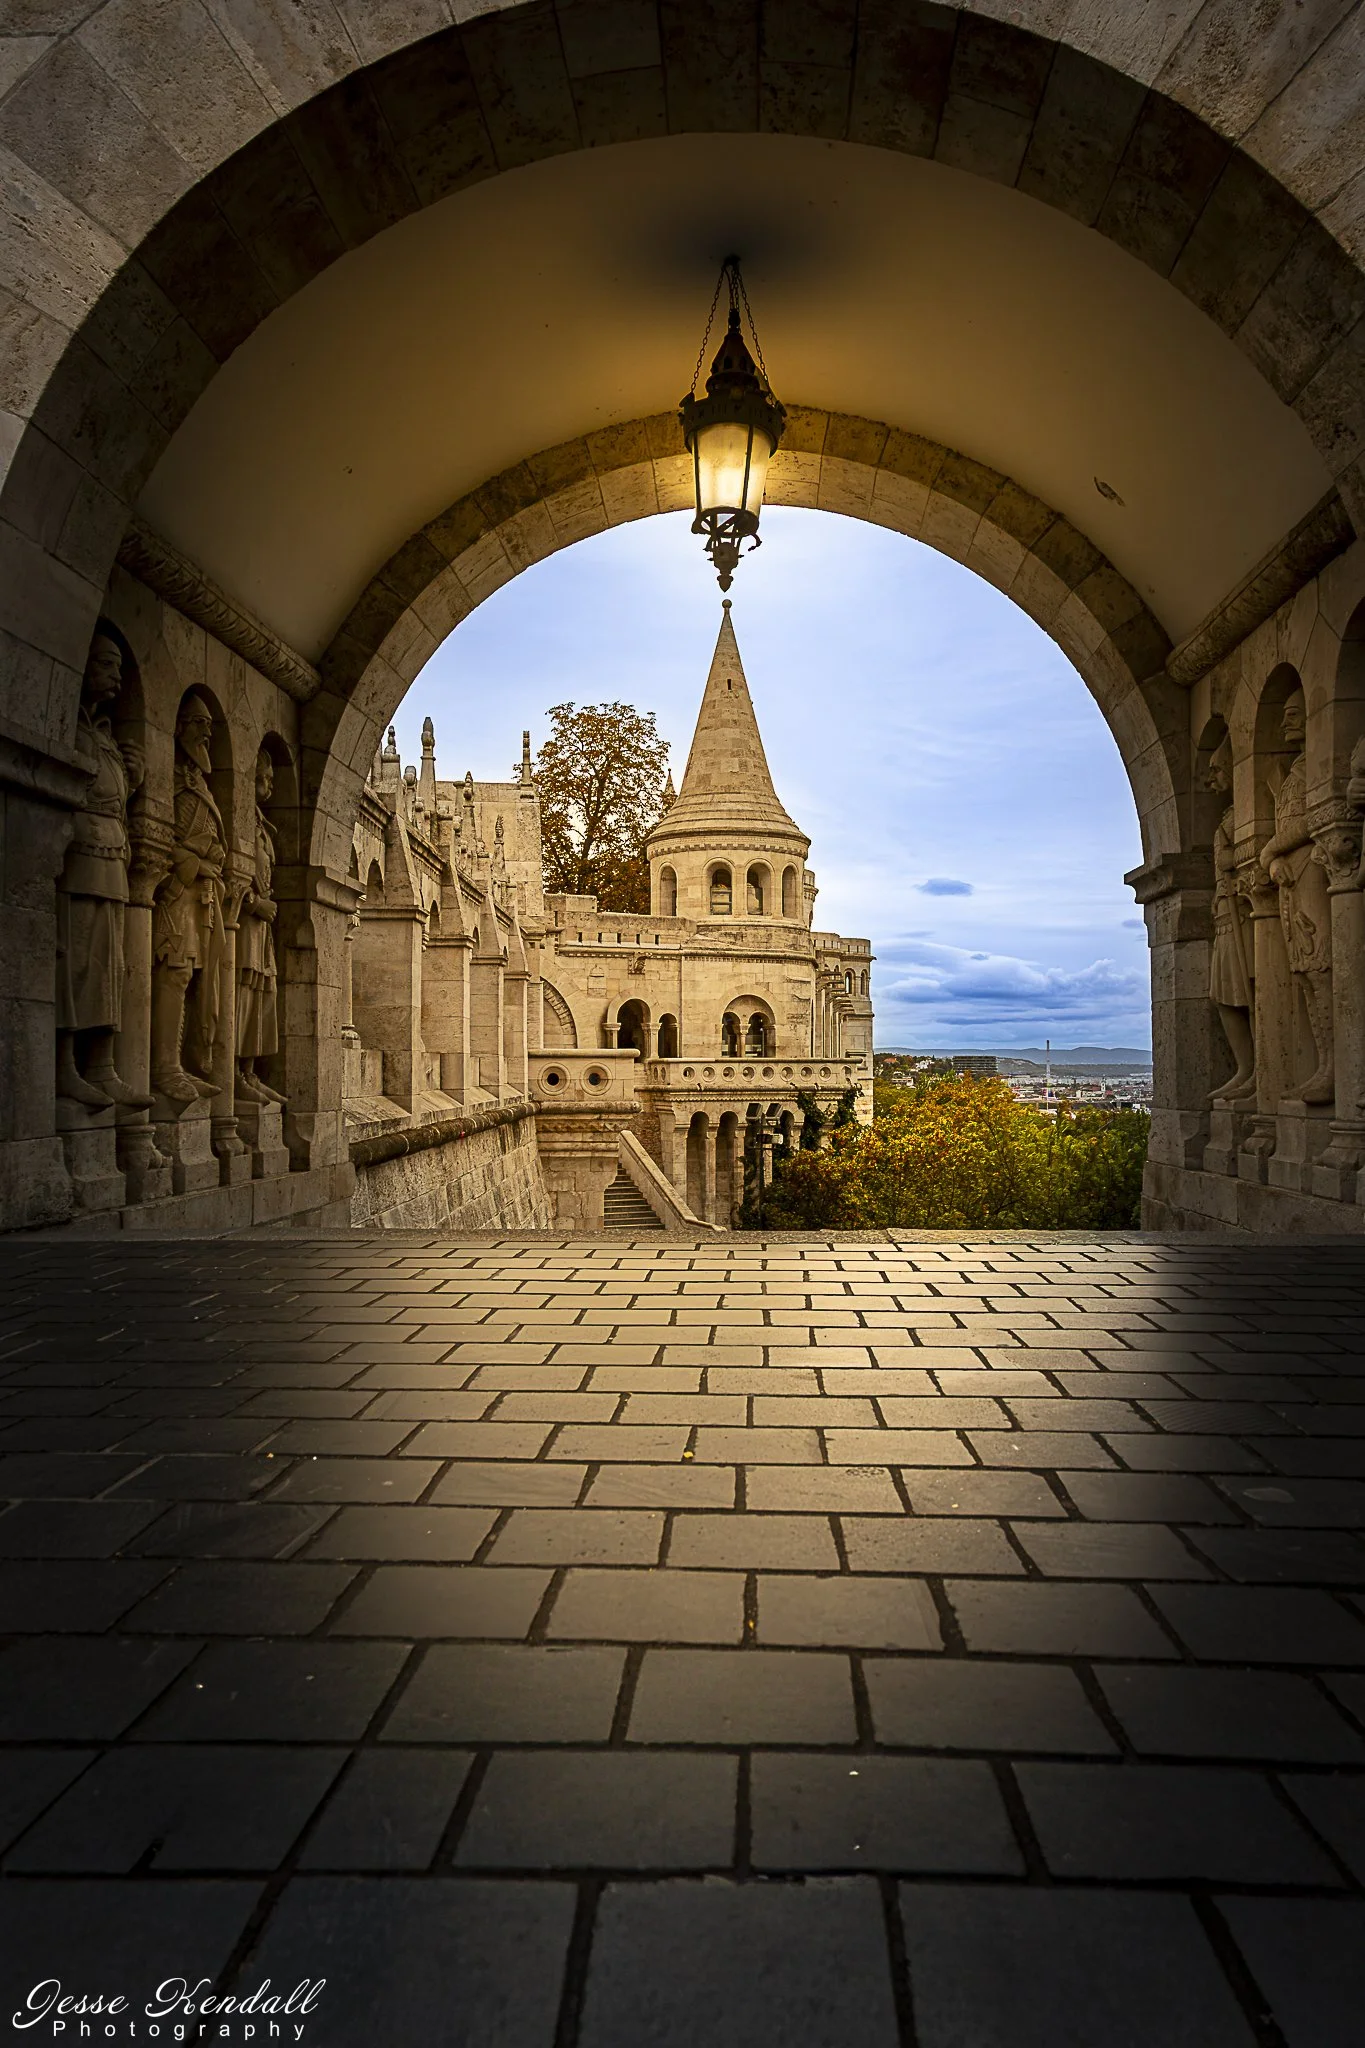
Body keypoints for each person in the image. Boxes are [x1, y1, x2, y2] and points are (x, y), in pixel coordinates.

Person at [55, 629, 151, 1112]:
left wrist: (131, 778)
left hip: (114, 865)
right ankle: (65, 1067)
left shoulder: (107, 740)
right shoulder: (67, 728)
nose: (116, 675)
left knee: (111, 967)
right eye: (107, 664)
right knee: (75, 964)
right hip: (79, 867)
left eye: (119, 665)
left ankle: (103, 1065)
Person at [151, 693, 226, 1106]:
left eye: (210, 726)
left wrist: (209, 858)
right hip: (176, 895)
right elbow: (161, 840)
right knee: (173, 973)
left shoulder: (200, 784)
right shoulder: (175, 780)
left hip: (203, 899)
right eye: (198, 723)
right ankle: (163, 1067)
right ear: (178, 726)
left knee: (194, 979)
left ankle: (182, 1064)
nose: (206, 732)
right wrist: (198, 860)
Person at [1259, 693, 1333, 1104]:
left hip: (1315, 872)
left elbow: (1315, 818)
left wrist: (1270, 851)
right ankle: (1327, 1064)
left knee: (1321, 965)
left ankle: (1337, 1067)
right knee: (1305, 972)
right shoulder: (1295, 772)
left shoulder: (1313, 767)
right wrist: (1272, 863)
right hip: (1293, 879)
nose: (1285, 724)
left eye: (1292, 716)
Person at [1204, 739, 1255, 1101]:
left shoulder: (1245, 815)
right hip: (1226, 913)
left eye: (1217, 771)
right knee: (1224, 996)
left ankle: (1256, 1071)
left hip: (1247, 915)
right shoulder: (1230, 817)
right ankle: (1247, 1068)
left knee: (1249, 994)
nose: (1210, 781)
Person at [236, 748, 285, 1104]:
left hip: (260, 930)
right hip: (240, 927)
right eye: (262, 779)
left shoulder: (264, 829)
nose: (267, 787)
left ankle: (249, 1072)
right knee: (240, 992)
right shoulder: (240, 820)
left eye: (270, 780)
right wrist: (255, 904)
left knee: (261, 994)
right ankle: (233, 1073)